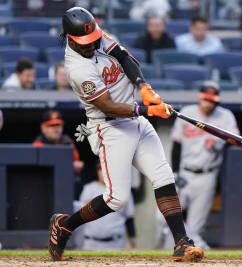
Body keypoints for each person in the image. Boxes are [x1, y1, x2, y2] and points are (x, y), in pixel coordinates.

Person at [48, 7, 203, 262]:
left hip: (135, 120)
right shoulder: (76, 69)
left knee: (164, 175)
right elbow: (107, 105)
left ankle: (181, 243)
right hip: (110, 127)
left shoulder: (95, 35)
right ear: (70, 38)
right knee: (116, 199)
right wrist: (147, 109)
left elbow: (124, 57)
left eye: (93, 39)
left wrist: (144, 88)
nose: (92, 44)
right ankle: (65, 226)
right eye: (85, 43)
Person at [169, 81, 239, 250]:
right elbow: (176, 145)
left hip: (207, 175)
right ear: (200, 98)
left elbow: (236, 140)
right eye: (207, 100)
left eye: (213, 101)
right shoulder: (187, 112)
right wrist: (175, 172)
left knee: (195, 227)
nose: (209, 104)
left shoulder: (225, 116)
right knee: (163, 217)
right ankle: (171, 250)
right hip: (184, 173)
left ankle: (195, 252)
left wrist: (223, 143)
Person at [79, 161, 136, 250]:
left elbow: (129, 219)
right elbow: (80, 217)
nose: (104, 172)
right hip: (90, 243)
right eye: (100, 169)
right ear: (97, 171)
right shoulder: (88, 189)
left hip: (115, 244)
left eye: (107, 169)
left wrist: (133, 244)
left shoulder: (124, 190)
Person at [32, 110, 85, 198]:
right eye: (52, 125)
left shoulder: (67, 142)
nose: (56, 129)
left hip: (67, 188)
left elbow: (77, 165)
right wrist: (69, 165)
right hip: (45, 191)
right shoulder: (38, 145)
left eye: (58, 125)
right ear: (43, 127)